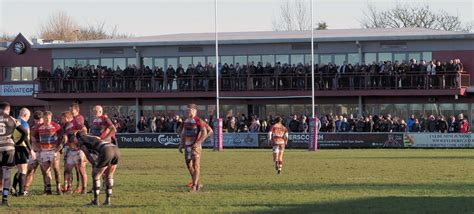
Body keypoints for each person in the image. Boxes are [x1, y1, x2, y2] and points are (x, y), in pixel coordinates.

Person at [76, 131, 120, 206]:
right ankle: (108, 200)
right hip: (115, 149)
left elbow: (87, 154)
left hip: (106, 150)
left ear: (78, 137)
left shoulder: (81, 141)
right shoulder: (94, 137)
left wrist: (94, 164)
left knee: (96, 176)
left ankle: (95, 201)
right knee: (109, 176)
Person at [178, 104, 211, 192]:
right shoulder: (185, 121)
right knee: (189, 166)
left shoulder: (198, 121)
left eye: (191, 110)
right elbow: (182, 132)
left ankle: (194, 186)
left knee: (196, 166)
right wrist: (181, 144)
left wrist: (198, 142)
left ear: (195, 111)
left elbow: (205, 132)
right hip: (187, 147)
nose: (188, 111)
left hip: (195, 148)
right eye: (188, 110)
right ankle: (197, 183)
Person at [0, 102, 27, 206]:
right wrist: (17, 143)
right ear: (8, 109)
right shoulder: (12, 119)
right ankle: (5, 199)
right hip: (9, 148)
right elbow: (24, 132)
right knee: (7, 173)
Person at [32, 111, 64, 195]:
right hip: (44, 151)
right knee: (45, 171)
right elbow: (33, 136)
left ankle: (58, 188)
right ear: (43, 118)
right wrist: (37, 146)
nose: (48, 120)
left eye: (49, 118)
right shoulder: (39, 127)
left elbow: (63, 136)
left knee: (56, 169)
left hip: (53, 150)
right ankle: (48, 190)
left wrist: (60, 146)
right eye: (46, 118)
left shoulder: (56, 126)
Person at [60, 111, 88, 194]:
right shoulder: (65, 126)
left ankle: (84, 188)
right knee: (67, 169)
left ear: (66, 118)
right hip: (70, 150)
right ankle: (68, 187)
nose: (61, 120)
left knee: (81, 169)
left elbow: (84, 130)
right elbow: (65, 137)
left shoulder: (75, 122)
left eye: (62, 118)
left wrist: (77, 134)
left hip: (78, 150)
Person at [11, 108, 31, 197]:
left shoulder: (14, 122)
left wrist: (15, 143)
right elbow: (25, 135)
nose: (29, 118)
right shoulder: (23, 123)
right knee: (23, 170)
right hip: (23, 148)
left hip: (15, 148)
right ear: (24, 115)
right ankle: (22, 192)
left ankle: (13, 188)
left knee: (19, 170)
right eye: (28, 116)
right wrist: (30, 150)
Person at [24, 111, 44, 196]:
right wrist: (31, 150)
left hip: (44, 151)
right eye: (36, 121)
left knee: (45, 171)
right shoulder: (32, 127)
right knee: (30, 170)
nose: (38, 122)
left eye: (39, 120)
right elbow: (29, 140)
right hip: (34, 152)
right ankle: (25, 189)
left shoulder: (47, 126)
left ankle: (47, 189)